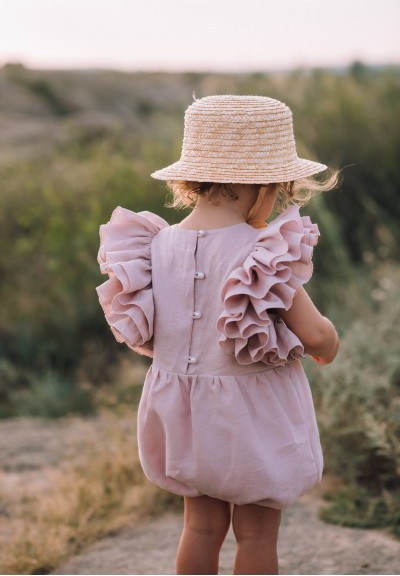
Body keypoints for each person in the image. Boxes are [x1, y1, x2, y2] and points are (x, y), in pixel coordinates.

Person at [96, 95, 340, 575]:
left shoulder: (153, 245)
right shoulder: (263, 252)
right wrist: (329, 344)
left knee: (201, 529)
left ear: (192, 181)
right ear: (266, 186)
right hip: (251, 418)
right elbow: (314, 336)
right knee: (255, 536)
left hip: (181, 415)